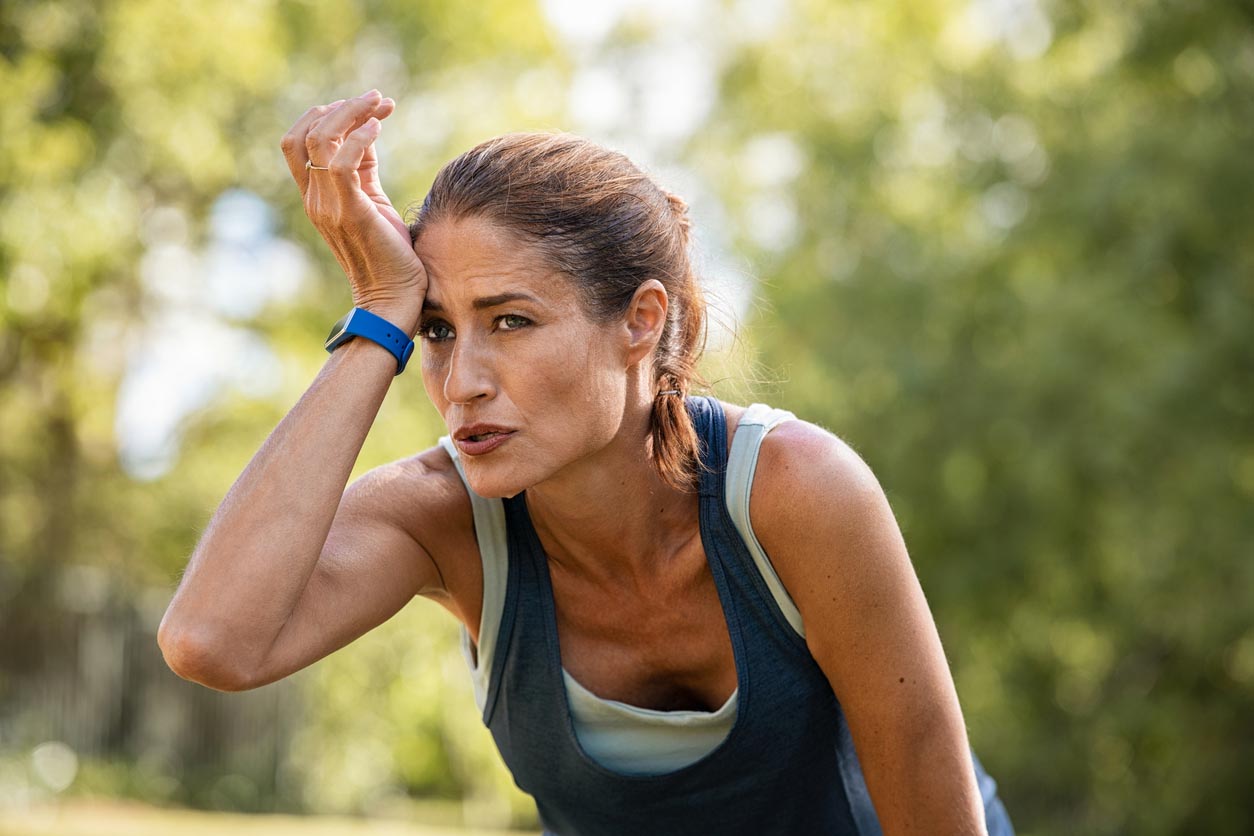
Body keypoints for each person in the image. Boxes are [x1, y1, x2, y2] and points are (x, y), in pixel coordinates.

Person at [158, 88, 1016, 836]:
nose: (462, 382)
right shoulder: (445, 518)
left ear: (641, 320)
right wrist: (379, 313)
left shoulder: (795, 491)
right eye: (437, 330)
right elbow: (211, 641)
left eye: (512, 321)